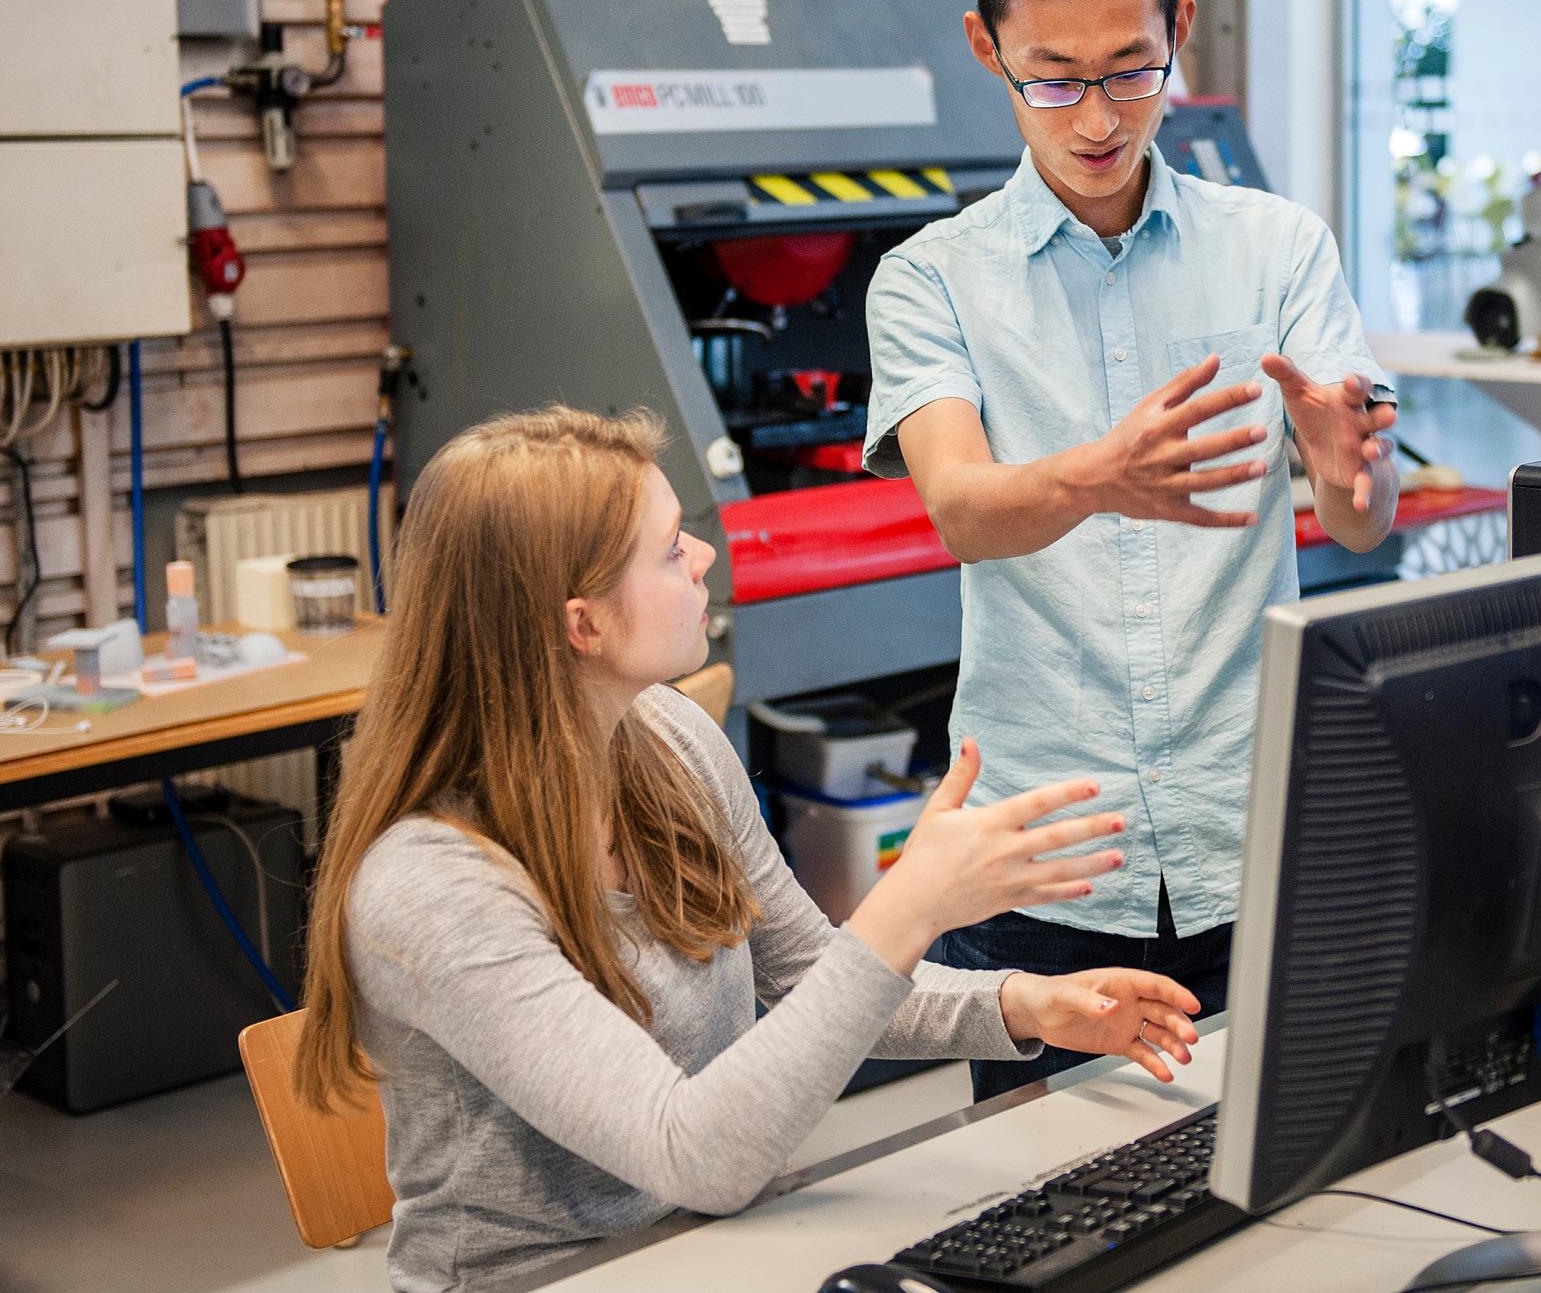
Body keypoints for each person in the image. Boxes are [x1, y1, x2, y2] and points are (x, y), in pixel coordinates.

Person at [291, 405, 1202, 1293]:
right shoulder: (431, 886)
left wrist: (1028, 1003)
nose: (705, 557)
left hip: (722, 1249)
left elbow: (813, 979)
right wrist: (910, 904)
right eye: (669, 546)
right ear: (584, 625)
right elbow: (695, 1153)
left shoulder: (671, 740)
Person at [864, 0, 1398, 1100]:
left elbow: (1359, 524)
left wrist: (1345, 474)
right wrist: (1096, 477)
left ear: (1180, 32)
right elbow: (959, 512)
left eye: (1129, 70)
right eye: (1053, 80)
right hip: (1042, 862)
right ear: (986, 47)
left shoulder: (1276, 249)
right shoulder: (931, 277)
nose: (1098, 119)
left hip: (1251, 826)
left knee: (1280, 1194)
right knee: (1041, 1210)